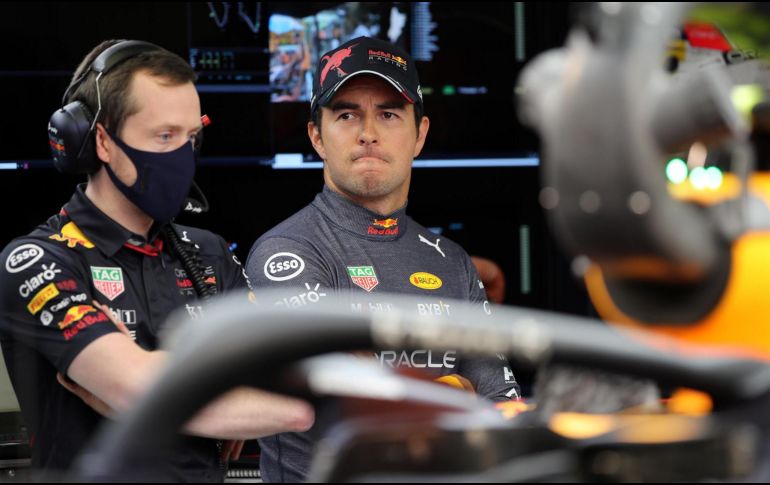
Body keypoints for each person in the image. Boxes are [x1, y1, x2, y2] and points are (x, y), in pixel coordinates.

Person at [0, 39, 313, 481]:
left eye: (191, 136)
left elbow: (294, 402)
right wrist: (219, 401)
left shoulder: (210, 254)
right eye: (165, 136)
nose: (184, 155)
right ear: (101, 141)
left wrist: (141, 399)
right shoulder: (35, 262)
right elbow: (135, 386)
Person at [245, 36, 520, 483]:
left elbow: (500, 404)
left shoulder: (452, 262)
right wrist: (457, 391)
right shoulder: (286, 252)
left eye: (389, 114)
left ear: (420, 135)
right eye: (347, 114)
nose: (368, 132)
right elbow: (351, 397)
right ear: (317, 137)